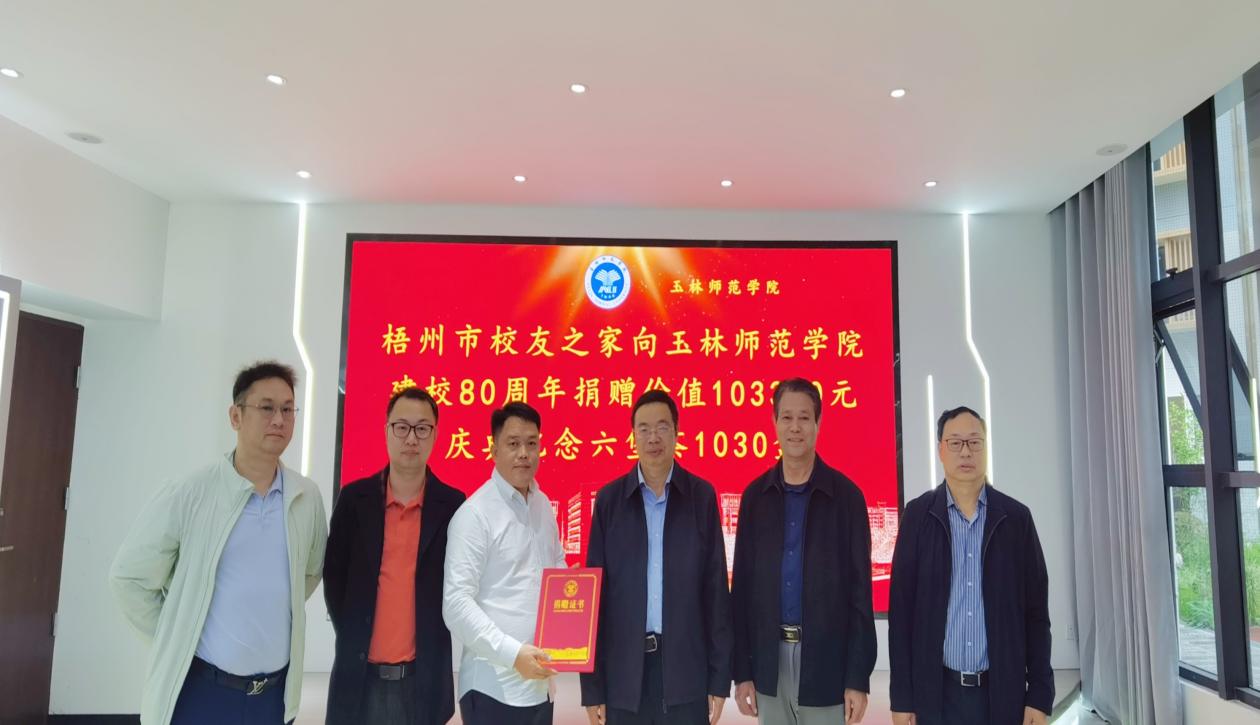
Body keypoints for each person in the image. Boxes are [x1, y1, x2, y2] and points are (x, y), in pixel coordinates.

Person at [110, 361, 327, 725]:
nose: (279, 419)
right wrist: (178, 637)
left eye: (288, 409)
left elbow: (310, 572)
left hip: (272, 698)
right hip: (201, 692)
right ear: (235, 416)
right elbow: (129, 578)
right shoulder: (191, 492)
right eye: (267, 408)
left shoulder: (306, 497)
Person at [888, 406, 1052, 725]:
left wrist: (1039, 696)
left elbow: (1036, 615)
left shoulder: (1016, 520)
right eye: (955, 442)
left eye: (975, 442)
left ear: (986, 448)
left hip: (1001, 694)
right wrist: (902, 697)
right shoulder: (918, 516)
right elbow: (902, 614)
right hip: (936, 694)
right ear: (941, 450)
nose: (966, 452)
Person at [581, 390, 732, 725]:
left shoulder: (701, 497)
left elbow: (716, 593)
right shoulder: (609, 502)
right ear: (633, 436)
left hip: (686, 674)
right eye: (644, 429)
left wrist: (719, 680)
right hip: (624, 678)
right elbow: (595, 599)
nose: (653, 438)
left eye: (662, 427)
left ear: (676, 433)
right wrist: (592, 688)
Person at [731, 377, 876, 725]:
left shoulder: (847, 498)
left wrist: (857, 678)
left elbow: (860, 595)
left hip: (825, 664)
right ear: (774, 422)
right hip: (769, 663)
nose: (795, 427)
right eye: (786, 417)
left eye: (804, 418)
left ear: (818, 423)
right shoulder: (755, 498)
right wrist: (742, 672)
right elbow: (742, 592)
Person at [323, 386, 466, 724]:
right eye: (402, 427)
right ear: (387, 430)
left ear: (435, 435)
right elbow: (335, 580)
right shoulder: (354, 500)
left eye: (422, 428)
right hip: (360, 680)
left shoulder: (454, 506)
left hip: (423, 683)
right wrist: (355, 635)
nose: (411, 438)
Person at [443, 402, 567, 725]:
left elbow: (557, 570)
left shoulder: (543, 506)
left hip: (541, 686)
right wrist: (512, 654)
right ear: (494, 449)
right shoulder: (474, 515)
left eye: (531, 443)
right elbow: (455, 604)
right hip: (493, 689)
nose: (524, 453)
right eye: (513, 444)